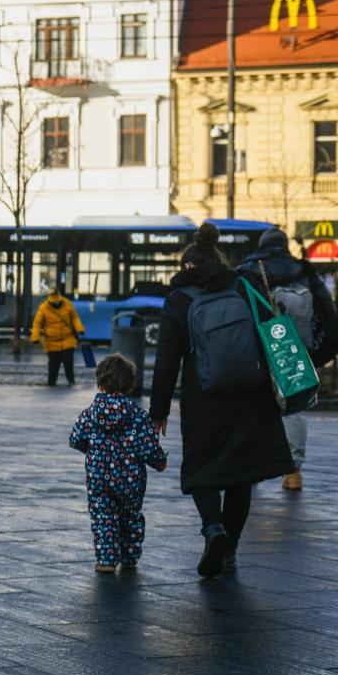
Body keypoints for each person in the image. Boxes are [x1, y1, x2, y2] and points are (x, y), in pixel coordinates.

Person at [149, 225, 293, 579]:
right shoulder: (244, 285)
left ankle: (213, 528)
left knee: (201, 470)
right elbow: (269, 332)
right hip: (251, 394)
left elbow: (167, 359)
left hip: (204, 398)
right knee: (241, 475)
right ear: (219, 258)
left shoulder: (179, 299)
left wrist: (159, 411)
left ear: (187, 266)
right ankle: (230, 550)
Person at [237, 228, 338, 491]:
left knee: (252, 407)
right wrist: (321, 349)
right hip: (294, 347)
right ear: (285, 246)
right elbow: (325, 309)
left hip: (258, 347)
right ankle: (293, 472)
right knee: (294, 406)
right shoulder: (304, 270)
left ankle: (251, 468)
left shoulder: (247, 270)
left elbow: (237, 309)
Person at [70, 354, 168, 573]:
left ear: (100, 383)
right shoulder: (138, 416)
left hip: (98, 478)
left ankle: (106, 560)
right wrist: (160, 462)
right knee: (131, 516)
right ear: (129, 385)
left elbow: (75, 439)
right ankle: (130, 555)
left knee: (103, 517)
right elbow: (149, 447)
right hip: (132, 480)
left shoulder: (89, 415)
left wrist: (91, 447)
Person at [30, 284, 86, 386]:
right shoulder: (43, 307)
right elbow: (37, 323)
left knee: (68, 364)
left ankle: (71, 381)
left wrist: (80, 329)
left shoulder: (67, 304)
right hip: (52, 342)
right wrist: (35, 337)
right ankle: (51, 382)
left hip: (67, 340)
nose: (56, 303)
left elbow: (74, 318)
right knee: (53, 366)